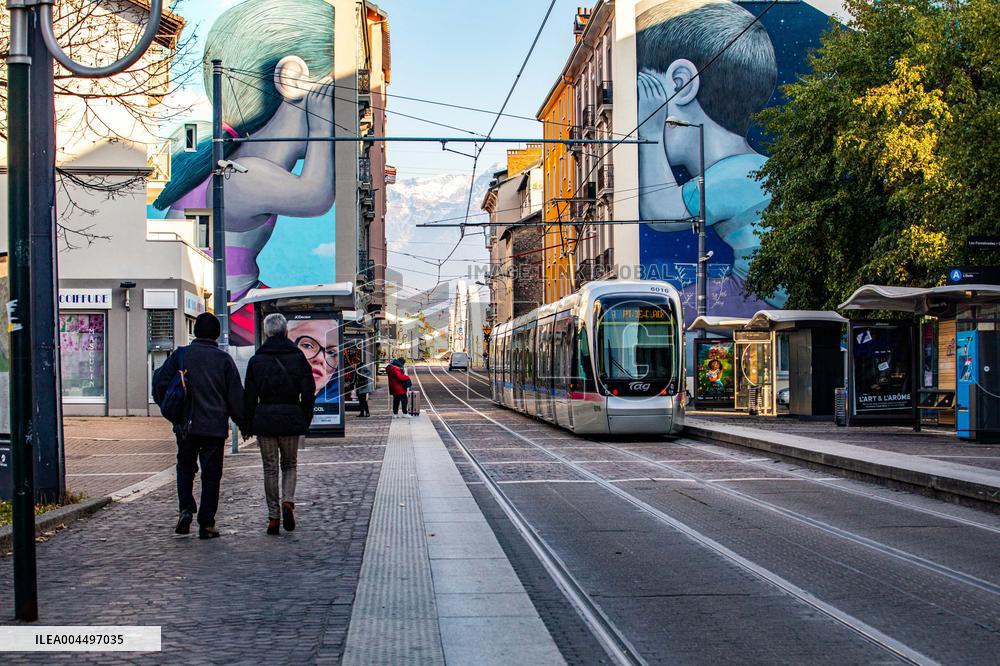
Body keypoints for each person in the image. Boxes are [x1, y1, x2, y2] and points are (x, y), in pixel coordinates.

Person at [151, 0, 338, 345]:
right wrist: (325, 127)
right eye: (339, 94)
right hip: (228, 310)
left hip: (238, 301)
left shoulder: (240, 162)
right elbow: (316, 196)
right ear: (293, 79)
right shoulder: (242, 173)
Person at [636, 0, 786, 311]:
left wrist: (649, 131)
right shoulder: (753, 167)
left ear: (681, 84)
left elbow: (659, 212)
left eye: (644, 92)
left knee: (671, 312)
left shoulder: (738, 174)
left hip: (762, 294)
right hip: (761, 290)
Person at [153, 313, 244, 539]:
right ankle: (207, 523)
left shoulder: (181, 355)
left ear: (196, 332)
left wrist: (172, 410)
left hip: (186, 425)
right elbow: (235, 397)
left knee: (185, 468)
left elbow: (160, 384)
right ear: (215, 334)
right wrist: (244, 422)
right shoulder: (223, 360)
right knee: (211, 475)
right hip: (213, 428)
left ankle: (185, 508)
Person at [242, 314, 316, 535]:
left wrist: (247, 423)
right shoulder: (297, 357)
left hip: (265, 419)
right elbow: (308, 391)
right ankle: (288, 501)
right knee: (290, 464)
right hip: (290, 417)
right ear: (286, 332)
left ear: (266, 333)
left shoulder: (257, 360)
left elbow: (249, 396)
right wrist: (304, 416)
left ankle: (273, 516)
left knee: (270, 468)